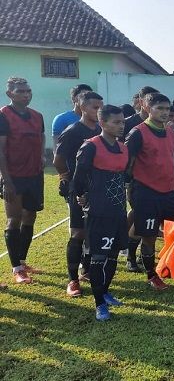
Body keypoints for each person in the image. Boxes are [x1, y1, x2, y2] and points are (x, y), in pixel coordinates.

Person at [125, 92, 174, 289]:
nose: (164, 113)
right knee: (149, 236)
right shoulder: (137, 133)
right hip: (145, 193)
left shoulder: (171, 133)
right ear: (146, 107)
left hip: (168, 192)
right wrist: (130, 190)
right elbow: (127, 164)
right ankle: (152, 275)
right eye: (159, 108)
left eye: (167, 109)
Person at [71, 105, 129, 320]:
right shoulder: (91, 146)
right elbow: (78, 178)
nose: (121, 125)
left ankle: (104, 292)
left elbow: (125, 177)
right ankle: (99, 305)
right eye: (116, 122)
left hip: (118, 211)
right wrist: (81, 196)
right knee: (98, 257)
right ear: (102, 123)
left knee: (113, 255)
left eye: (123, 122)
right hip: (99, 211)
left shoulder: (124, 148)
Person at [54, 91, 104, 297]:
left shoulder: (103, 129)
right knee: (78, 233)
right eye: (95, 107)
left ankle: (89, 271)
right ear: (83, 107)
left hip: (100, 189)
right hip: (79, 190)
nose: (99, 111)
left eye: (101, 107)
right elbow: (58, 160)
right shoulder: (73, 131)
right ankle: (73, 280)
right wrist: (68, 179)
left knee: (95, 231)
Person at [0, 77, 45, 284]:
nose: (26, 94)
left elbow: (42, 136)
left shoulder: (37, 116)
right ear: (10, 94)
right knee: (14, 220)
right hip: (13, 176)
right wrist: (6, 180)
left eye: (28, 91)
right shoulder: (3, 116)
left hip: (34, 175)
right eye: (20, 91)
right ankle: (16, 268)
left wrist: (42, 156)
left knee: (30, 217)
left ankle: (23, 261)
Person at [123, 86, 160, 272]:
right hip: (137, 181)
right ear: (140, 101)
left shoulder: (160, 125)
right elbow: (123, 153)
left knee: (142, 218)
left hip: (158, 183)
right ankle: (130, 255)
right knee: (139, 218)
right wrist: (127, 177)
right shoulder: (130, 124)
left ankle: (138, 252)